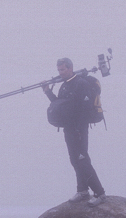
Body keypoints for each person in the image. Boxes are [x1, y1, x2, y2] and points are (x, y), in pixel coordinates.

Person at [42, 58, 107, 207]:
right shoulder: (64, 85)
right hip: (69, 128)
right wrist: (47, 91)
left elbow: (84, 109)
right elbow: (58, 104)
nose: (60, 72)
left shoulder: (80, 84)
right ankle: (82, 190)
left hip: (79, 129)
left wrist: (78, 129)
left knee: (82, 160)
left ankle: (100, 193)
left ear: (70, 68)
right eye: (59, 70)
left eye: (63, 69)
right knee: (74, 159)